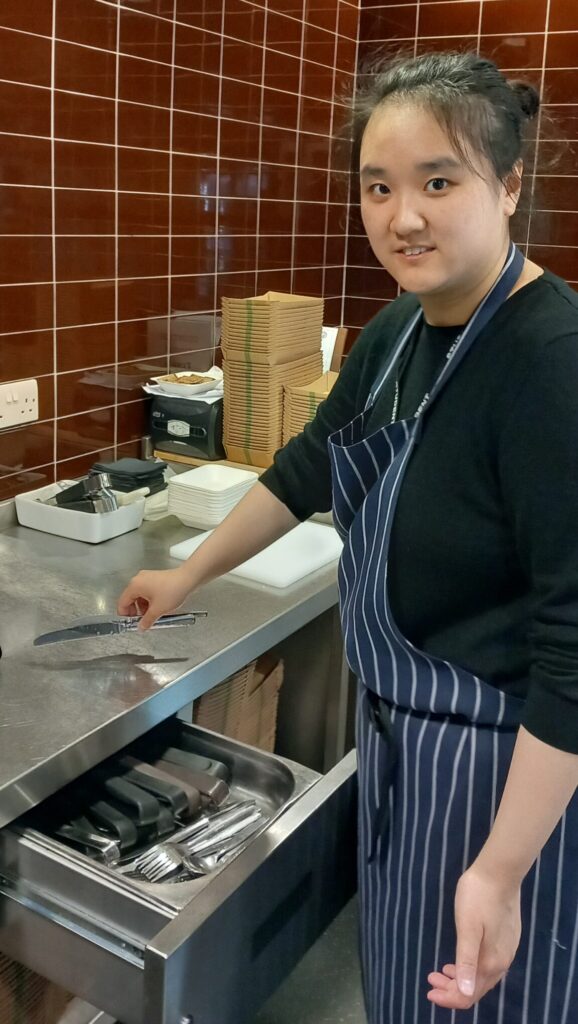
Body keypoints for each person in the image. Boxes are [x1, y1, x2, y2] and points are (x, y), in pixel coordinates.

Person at [118, 52, 578, 1023]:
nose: (400, 215)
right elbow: (305, 468)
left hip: (508, 785)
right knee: (404, 996)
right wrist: (183, 570)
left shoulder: (548, 366)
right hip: (405, 761)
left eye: (436, 181)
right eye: (377, 186)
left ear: (508, 183)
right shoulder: (397, 333)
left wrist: (497, 870)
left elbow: (573, 655)